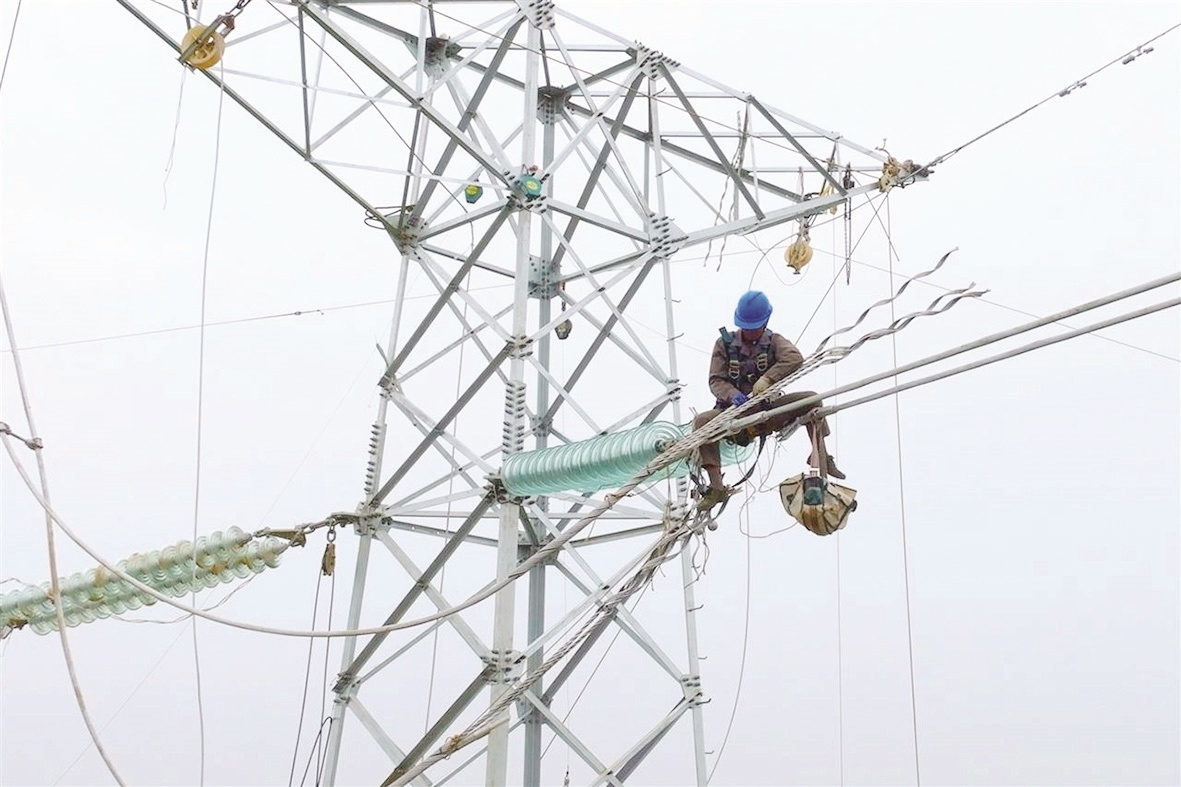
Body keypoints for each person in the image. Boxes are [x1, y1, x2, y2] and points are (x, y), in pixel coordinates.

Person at [692, 290, 844, 508]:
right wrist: (733, 395)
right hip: (734, 413)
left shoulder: (773, 342)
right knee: (702, 422)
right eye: (746, 327)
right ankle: (716, 487)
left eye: (754, 327)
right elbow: (716, 380)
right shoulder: (724, 344)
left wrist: (767, 379)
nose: (750, 331)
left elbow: (794, 357)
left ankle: (821, 458)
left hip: (768, 409)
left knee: (811, 400)